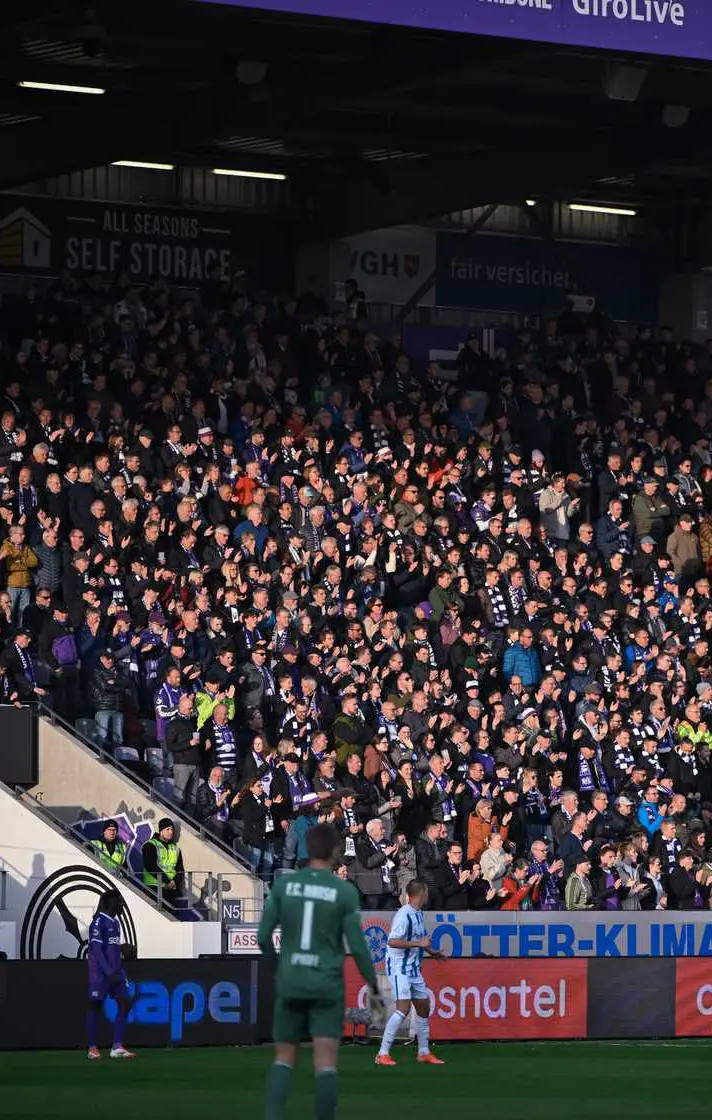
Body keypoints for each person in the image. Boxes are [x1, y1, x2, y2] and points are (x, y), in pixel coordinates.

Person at [257, 822, 383, 1120]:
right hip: (327, 985)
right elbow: (358, 946)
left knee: (284, 1058)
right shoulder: (343, 891)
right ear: (335, 851)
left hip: (291, 981)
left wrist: (276, 966)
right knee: (325, 1061)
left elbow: (263, 937)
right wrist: (374, 987)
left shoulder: (285, 885)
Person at [375, 878, 446, 1067]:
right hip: (399, 968)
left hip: (413, 968)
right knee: (403, 1009)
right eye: (427, 893)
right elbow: (392, 941)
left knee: (423, 1006)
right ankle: (382, 1053)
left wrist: (432, 952)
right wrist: (418, 944)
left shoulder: (418, 913)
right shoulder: (403, 915)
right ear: (421, 894)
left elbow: (420, 938)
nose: (428, 895)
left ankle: (423, 1052)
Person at [86, 888, 135, 1060]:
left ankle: (116, 1047)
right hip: (100, 973)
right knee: (95, 1006)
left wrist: (122, 950)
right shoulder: (99, 923)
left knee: (126, 1004)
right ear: (112, 902)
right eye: (120, 901)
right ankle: (92, 1048)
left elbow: (111, 947)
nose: (122, 905)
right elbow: (97, 950)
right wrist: (107, 971)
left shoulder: (115, 923)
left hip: (116, 971)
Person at [141, 817, 184, 901]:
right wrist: (167, 881)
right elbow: (150, 866)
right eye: (167, 829)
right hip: (153, 888)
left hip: (171, 889)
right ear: (161, 831)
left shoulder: (175, 848)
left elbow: (180, 869)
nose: (171, 832)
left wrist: (174, 882)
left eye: (172, 829)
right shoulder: (150, 845)